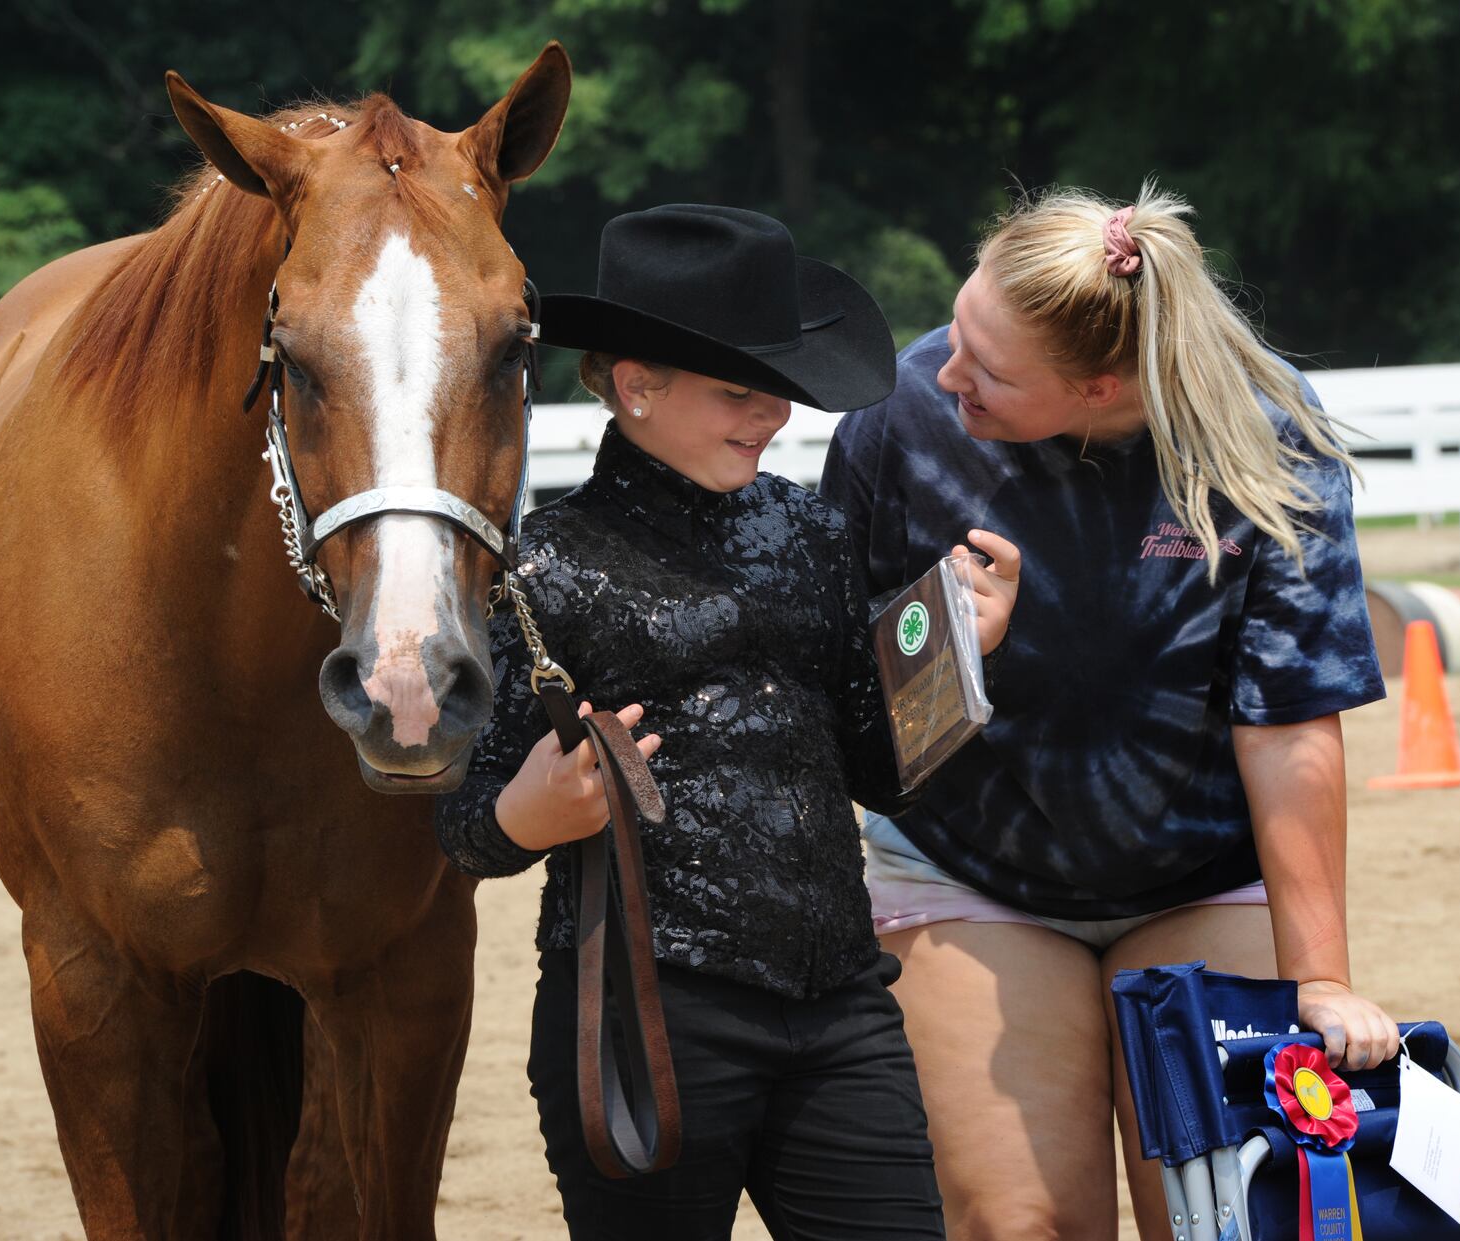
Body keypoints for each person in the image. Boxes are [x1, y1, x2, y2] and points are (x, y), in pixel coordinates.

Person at [819, 182, 1400, 1241]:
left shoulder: (1268, 449)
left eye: (986, 370)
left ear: (1098, 384)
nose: (942, 373)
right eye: (955, 328)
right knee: (1020, 1220)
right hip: (966, 867)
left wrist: (1317, 975)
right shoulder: (900, 418)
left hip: (1199, 875)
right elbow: (837, 696)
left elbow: (1288, 723)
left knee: (1215, 1218)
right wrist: (949, 637)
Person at [435, 203, 1018, 1240]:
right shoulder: (541, 568)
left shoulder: (811, 528)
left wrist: (962, 655)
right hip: (644, 1012)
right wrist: (529, 812)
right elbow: (467, 826)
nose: (773, 419)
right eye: (739, 392)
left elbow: (877, 773)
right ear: (635, 383)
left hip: (842, 1000)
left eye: (779, 393)